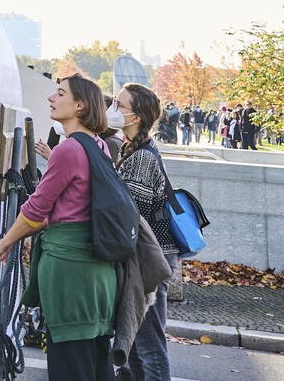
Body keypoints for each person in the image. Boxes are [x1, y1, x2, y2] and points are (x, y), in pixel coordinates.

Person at [0, 75, 115, 381]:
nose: (51, 99)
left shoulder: (68, 150)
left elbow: (36, 209)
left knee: (69, 366)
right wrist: (11, 240)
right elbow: (56, 213)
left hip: (71, 274)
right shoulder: (99, 147)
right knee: (95, 364)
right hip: (98, 276)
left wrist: (3, 243)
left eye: (59, 93)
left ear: (79, 105)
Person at [113, 83, 177, 381]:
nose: (113, 110)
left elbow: (130, 215)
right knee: (138, 345)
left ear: (135, 116)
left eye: (119, 105)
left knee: (148, 346)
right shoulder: (134, 148)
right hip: (149, 256)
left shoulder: (141, 157)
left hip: (149, 261)